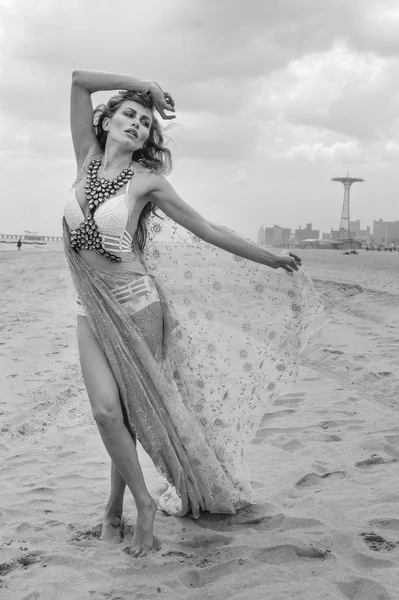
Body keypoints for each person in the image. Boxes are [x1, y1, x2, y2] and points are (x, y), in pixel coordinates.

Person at [63, 69, 324, 558]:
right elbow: (79, 81)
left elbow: (205, 227)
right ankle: (130, 503)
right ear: (107, 120)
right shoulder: (85, 157)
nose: (137, 124)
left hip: (136, 303)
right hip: (88, 304)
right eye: (129, 114)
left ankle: (121, 508)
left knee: (129, 411)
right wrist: (149, 86)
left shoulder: (147, 182)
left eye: (145, 121)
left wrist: (268, 257)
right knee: (106, 411)